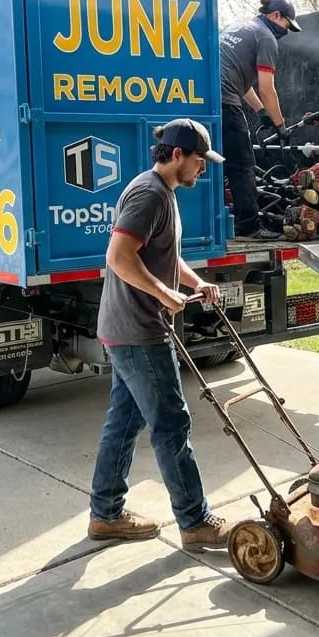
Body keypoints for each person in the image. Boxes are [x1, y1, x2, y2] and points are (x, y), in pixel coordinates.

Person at [87, 118, 237, 552]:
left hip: (126, 327)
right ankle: (195, 522)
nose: (202, 169)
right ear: (176, 156)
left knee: (125, 420)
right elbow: (118, 256)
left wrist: (191, 283)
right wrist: (162, 292)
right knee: (172, 424)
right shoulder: (149, 194)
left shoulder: (161, 192)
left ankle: (106, 514)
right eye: (198, 161)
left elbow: (161, 254)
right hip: (139, 330)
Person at [219, 0, 301, 239]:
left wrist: (261, 113)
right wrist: (280, 125)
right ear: (276, 16)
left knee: (219, 162)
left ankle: (227, 218)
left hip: (207, 99)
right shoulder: (265, 37)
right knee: (243, 165)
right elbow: (267, 88)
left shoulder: (238, 26)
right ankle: (250, 226)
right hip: (226, 101)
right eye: (288, 25)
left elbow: (242, 82)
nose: (286, 31)